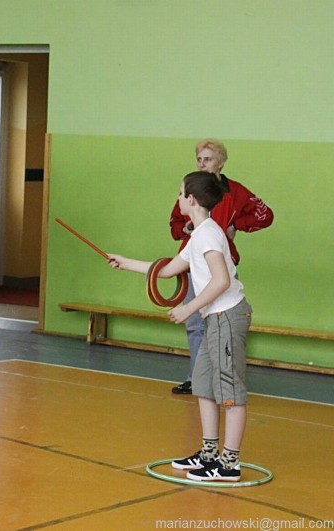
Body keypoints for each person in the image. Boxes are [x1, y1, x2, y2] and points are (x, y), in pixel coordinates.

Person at [108, 171, 252, 481]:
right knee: (203, 386)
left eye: (180, 193)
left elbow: (222, 281)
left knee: (230, 392)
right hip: (214, 318)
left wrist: (188, 308)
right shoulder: (197, 235)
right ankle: (209, 453)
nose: (177, 199)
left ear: (192, 200)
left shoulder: (209, 235)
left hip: (227, 317)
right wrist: (125, 262)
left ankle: (229, 464)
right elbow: (168, 269)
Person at [168, 139, 273, 395]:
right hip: (193, 264)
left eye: (208, 159)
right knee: (196, 325)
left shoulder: (235, 191)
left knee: (221, 323)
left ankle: (222, 378)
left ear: (221, 163)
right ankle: (197, 377)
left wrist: (237, 225)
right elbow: (174, 224)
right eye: (199, 159)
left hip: (219, 268)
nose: (202, 163)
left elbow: (264, 215)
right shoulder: (191, 190)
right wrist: (186, 228)